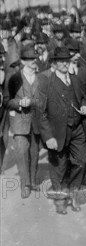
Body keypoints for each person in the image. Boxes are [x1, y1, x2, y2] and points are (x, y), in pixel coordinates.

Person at [39, 47, 86, 215]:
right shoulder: (47, 82)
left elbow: (83, 98)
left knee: (81, 161)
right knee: (59, 166)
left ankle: (74, 194)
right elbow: (40, 113)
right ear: (54, 63)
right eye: (60, 61)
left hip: (77, 128)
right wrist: (48, 137)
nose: (63, 64)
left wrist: (84, 106)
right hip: (57, 132)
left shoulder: (75, 80)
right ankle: (60, 199)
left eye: (66, 61)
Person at [5, 47, 44, 198]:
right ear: (23, 61)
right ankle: (25, 184)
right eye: (30, 59)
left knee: (34, 152)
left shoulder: (42, 78)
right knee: (21, 152)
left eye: (35, 59)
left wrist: (32, 102)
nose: (34, 62)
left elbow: (45, 99)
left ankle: (33, 181)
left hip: (36, 122)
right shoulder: (14, 79)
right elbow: (7, 101)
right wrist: (20, 103)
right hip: (19, 123)